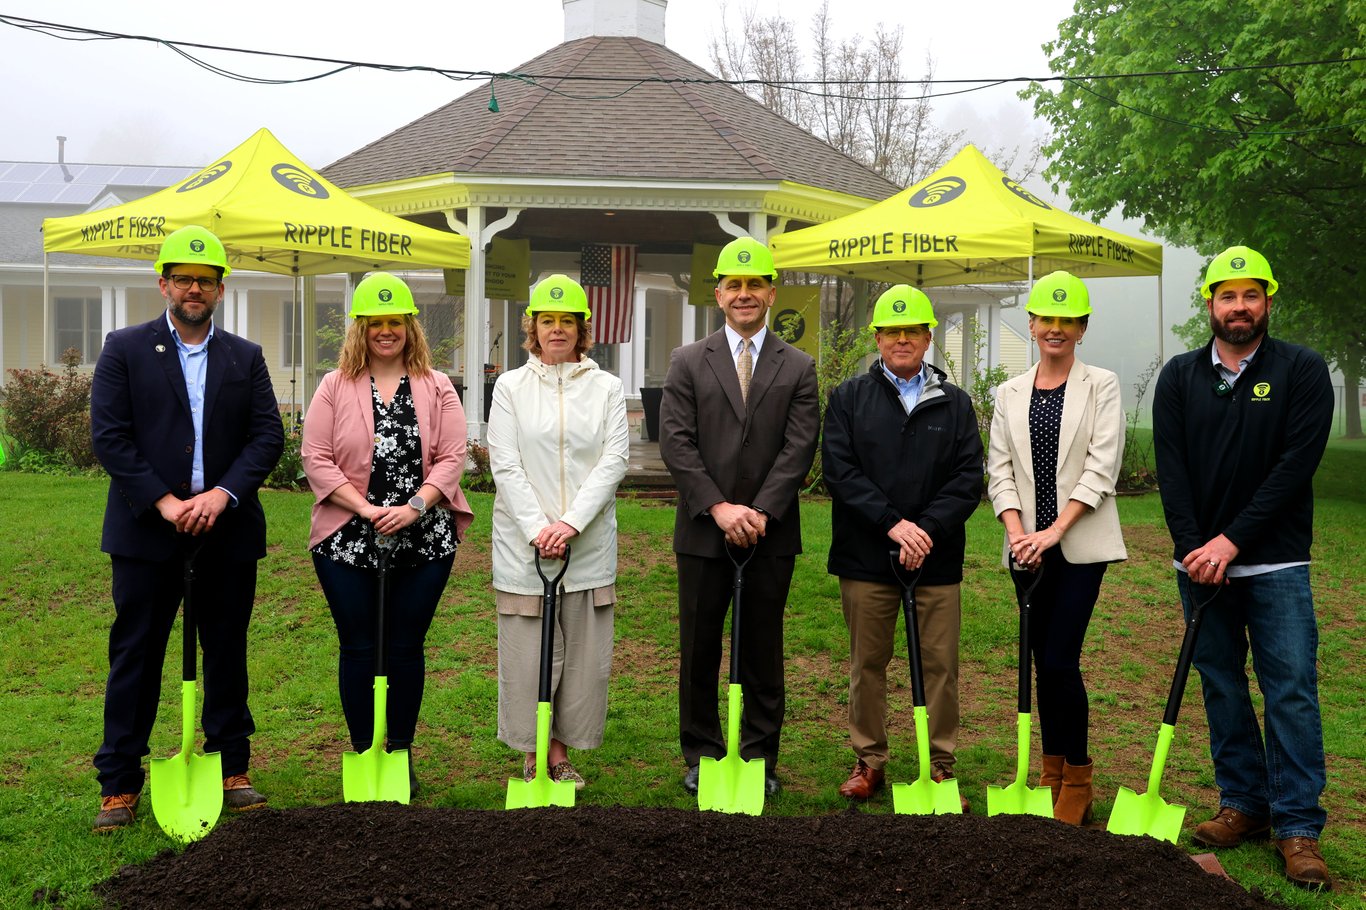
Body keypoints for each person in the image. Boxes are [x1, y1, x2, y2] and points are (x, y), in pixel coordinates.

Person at [89, 225, 284, 831]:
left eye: (205, 279)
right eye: (183, 278)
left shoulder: (244, 357)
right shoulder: (124, 348)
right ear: (163, 284)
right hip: (148, 532)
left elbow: (266, 437)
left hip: (225, 529)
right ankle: (120, 784)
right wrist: (166, 503)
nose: (193, 288)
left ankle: (233, 768)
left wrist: (223, 496)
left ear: (221, 290)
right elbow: (111, 437)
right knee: (137, 655)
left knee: (227, 651)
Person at [1154, 246, 1334, 889]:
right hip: (1200, 564)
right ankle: (1245, 805)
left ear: (1268, 301)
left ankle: (1297, 827)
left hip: (1276, 562)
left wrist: (1230, 543)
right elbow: (1171, 473)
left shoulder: (1303, 371)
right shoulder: (1178, 377)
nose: (1238, 307)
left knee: (1289, 689)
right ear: (1209, 304)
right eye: (1226, 296)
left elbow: (1293, 469)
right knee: (1222, 685)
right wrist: (1195, 548)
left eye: (1250, 295)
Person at [301, 272, 474, 799]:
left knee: (403, 647)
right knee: (358, 646)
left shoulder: (437, 385)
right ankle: (364, 750)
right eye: (375, 322)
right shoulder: (335, 385)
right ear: (360, 328)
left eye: (394, 322)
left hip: (422, 536)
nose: (385, 331)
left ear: (409, 327)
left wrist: (417, 505)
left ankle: (398, 750)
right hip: (346, 536)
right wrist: (367, 508)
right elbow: (316, 457)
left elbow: (451, 456)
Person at [659, 236, 818, 797]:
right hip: (704, 531)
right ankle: (702, 751)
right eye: (735, 285)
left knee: (761, 649)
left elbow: (799, 448)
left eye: (755, 285)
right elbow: (675, 442)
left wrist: (759, 512)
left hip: (771, 536)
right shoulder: (686, 361)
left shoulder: (797, 366)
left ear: (771, 292)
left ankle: (758, 757)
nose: (745, 294)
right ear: (718, 294)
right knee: (700, 647)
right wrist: (721, 509)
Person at [822, 285, 982, 810]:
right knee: (868, 663)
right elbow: (840, 472)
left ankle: (938, 766)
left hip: (935, 559)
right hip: (867, 556)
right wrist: (894, 525)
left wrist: (926, 529)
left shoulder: (956, 404)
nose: (901, 339)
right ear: (877, 338)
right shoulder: (848, 398)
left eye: (912, 330)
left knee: (940, 666)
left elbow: (966, 478)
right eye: (891, 331)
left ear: (928, 336)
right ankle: (868, 762)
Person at [986, 271, 1126, 824]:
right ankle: (1049, 771)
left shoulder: (1103, 386)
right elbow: (998, 469)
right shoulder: (1009, 393)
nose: (1057, 329)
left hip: (1076, 545)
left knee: (1063, 659)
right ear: (1032, 324)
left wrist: (1053, 532)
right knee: (1041, 662)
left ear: (1083, 329)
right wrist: (1019, 531)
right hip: (1026, 549)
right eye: (1048, 318)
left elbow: (1102, 467)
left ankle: (1079, 776)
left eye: (1069, 320)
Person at [487, 274, 629, 788]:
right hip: (526, 549)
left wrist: (569, 524)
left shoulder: (607, 388)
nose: (557, 329)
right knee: (529, 659)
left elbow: (614, 459)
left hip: (586, 549)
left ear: (582, 328)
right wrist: (538, 528)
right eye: (547, 320)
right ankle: (532, 754)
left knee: (585, 664)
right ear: (533, 327)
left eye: (567, 320)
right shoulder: (510, 387)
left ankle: (561, 753)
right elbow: (504, 463)